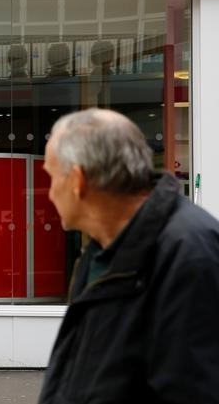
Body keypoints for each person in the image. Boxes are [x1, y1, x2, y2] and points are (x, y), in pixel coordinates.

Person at [38, 108, 219, 403]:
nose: (49, 193)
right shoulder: (102, 247)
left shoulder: (190, 254)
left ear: (77, 180)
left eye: (51, 176)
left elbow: (193, 388)